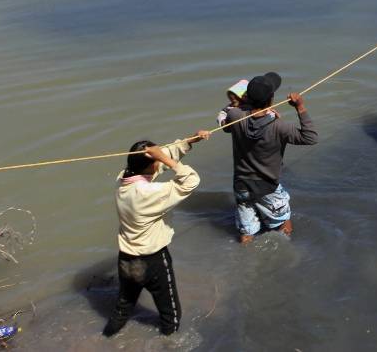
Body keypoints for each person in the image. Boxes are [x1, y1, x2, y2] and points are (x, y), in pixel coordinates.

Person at [104, 130, 211, 338]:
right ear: (151, 165)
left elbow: (156, 163)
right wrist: (164, 158)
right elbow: (191, 181)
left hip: (126, 259)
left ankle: (106, 336)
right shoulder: (148, 194)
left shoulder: (122, 180)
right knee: (171, 315)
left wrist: (189, 141)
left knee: (123, 307)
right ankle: (168, 343)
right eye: (157, 160)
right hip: (153, 261)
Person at [223, 72, 318, 242]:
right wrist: (300, 107)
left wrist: (242, 105)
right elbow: (310, 137)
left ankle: (245, 259)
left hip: (241, 185)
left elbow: (225, 120)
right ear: (272, 99)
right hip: (268, 187)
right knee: (283, 223)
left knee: (247, 232)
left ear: (247, 97)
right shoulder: (279, 126)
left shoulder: (235, 117)